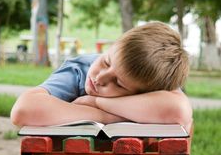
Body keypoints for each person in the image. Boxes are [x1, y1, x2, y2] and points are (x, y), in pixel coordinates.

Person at [11, 21, 192, 132]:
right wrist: (105, 116)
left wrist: (98, 103)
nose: (100, 78)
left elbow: (179, 111)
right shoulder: (80, 69)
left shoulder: (153, 73)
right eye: (106, 62)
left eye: (119, 84)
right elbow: (23, 111)